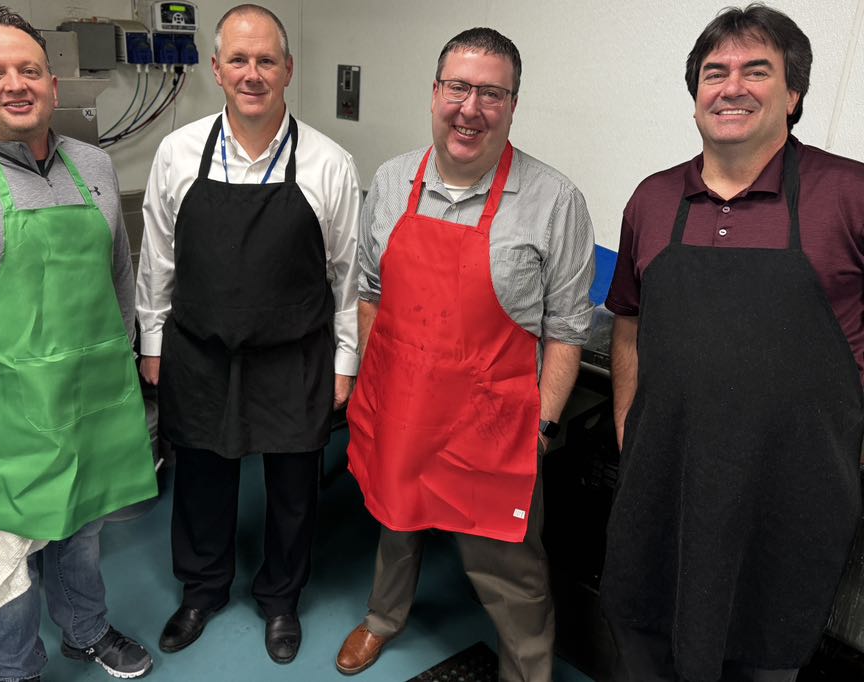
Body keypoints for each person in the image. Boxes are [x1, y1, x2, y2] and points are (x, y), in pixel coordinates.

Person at [602, 4, 864, 682]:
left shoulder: (849, 195)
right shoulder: (653, 200)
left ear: (794, 93)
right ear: (695, 99)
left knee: (761, 659)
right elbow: (627, 323)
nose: (732, 87)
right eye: (714, 73)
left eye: (757, 71)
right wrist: (631, 426)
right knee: (644, 646)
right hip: (663, 490)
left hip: (789, 503)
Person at [0, 7, 158, 681]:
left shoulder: (95, 166)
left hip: (87, 403)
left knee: (82, 531)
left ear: (50, 82)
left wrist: (123, 381)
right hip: (3, 420)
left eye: (28, 70)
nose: (14, 84)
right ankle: (17, 667)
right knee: (9, 557)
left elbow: (118, 281)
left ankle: (86, 629)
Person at [337, 27, 595, 682]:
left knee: (509, 569)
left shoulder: (554, 201)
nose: (470, 108)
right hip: (402, 410)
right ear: (434, 93)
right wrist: (374, 385)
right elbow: (370, 293)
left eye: (490, 93)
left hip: (489, 428)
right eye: (458, 87)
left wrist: (540, 425)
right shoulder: (393, 182)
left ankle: (528, 668)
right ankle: (382, 620)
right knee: (395, 527)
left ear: (512, 104)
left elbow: (567, 328)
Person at [136, 3, 360, 664]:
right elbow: (158, 262)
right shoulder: (178, 153)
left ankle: (281, 599)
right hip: (200, 352)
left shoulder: (328, 162)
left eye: (266, 60)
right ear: (216, 69)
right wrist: (153, 344)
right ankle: (202, 590)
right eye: (239, 59)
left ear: (288, 69)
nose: (253, 73)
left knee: (294, 489)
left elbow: (346, 276)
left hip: (294, 355)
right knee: (201, 479)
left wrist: (346, 360)